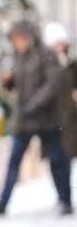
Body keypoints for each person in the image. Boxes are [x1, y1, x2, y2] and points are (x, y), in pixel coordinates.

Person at [0, 20, 73, 216]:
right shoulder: (18, 56)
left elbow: (52, 86)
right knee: (14, 160)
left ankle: (65, 201)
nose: (18, 43)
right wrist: (8, 81)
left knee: (57, 160)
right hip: (24, 119)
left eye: (20, 38)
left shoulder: (46, 54)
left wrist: (34, 105)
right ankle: (2, 203)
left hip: (46, 119)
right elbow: (17, 85)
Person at [44, 22, 77, 162]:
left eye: (61, 43)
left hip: (70, 113)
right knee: (57, 157)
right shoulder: (45, 66)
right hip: (53, 115)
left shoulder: (71, 64)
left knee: (68, 153)